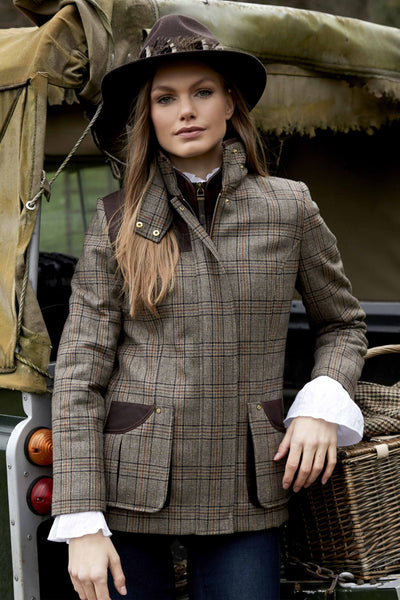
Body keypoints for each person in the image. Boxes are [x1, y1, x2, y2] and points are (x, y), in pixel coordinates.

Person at [48, 14, 367, 600]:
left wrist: (322, 403)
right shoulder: (116, 219)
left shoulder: (289, 207)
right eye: (165, 98)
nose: (186, 111)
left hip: (247, 486)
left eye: (202, 92)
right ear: (149, 116)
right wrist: (81, 516)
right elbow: (79, 373)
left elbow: (343, 325)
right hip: (130, 487)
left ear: (229, 104)